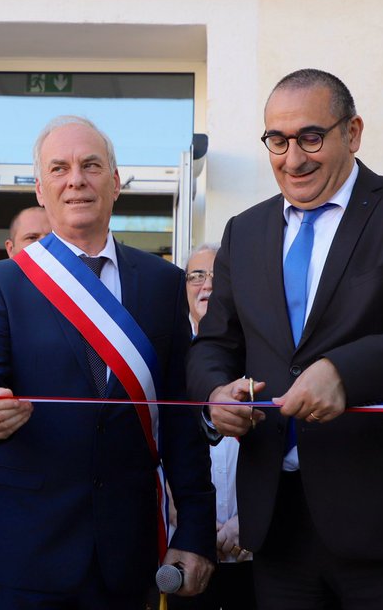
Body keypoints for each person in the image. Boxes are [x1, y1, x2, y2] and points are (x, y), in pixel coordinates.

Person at [188, 69, 383, 609]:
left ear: (354, 132)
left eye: (311, 137)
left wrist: (345, 371)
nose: (292, 158)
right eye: (278, 140)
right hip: (277, 526)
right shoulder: (243, 232)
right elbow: (214, 345)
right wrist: (215, 396)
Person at [0, 115, 215, 609]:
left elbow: (181, 416)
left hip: (128, 548)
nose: (75, 179)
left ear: (115, 183)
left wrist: (197, 531)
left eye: (91, 165)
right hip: (28, 548)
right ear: (40, 188)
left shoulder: (163, 283)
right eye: (59, 168)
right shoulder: (4, 283)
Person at [170, 243, 253, 610]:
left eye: (217, 276)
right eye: (196, 275)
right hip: (182, 546)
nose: (207, 284)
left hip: (255, 551)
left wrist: (248, 520)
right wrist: (185, 517)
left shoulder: (263, 353)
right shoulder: (167, 356)